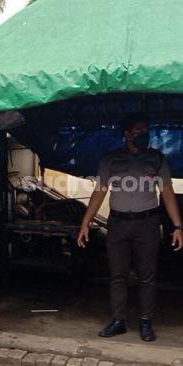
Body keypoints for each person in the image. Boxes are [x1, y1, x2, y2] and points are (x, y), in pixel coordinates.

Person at [77, 113, 183, 342]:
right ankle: (118, 321)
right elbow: (99, 192)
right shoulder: (110, 159)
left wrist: (178, 226)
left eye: (146, 131)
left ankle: (146, 322)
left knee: (147, 277)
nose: (144, 135)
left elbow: (167, 192)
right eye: (139, 131)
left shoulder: (157, 159)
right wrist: (85, 223)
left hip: (147, 225)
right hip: (118, 225)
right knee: (117, 276)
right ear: (126, 134)